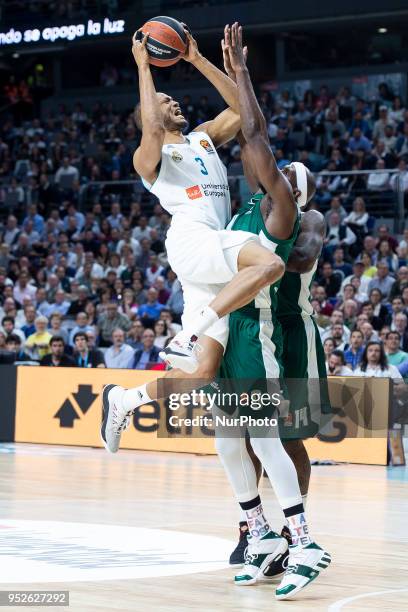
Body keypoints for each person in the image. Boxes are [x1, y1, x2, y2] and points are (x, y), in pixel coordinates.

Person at [102, 29, 297, 447]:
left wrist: (196, 59)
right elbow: (151, 128)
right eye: (164, 101)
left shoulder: (204, 138)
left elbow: (242, 111)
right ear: (148, 116)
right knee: (270, 263)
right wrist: (143, 66)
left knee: (202, 371)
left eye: (173, 99)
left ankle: (124, 399)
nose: (175, 101)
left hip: (212, 260)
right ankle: (188, 335)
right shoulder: (148, 158)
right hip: (194, 242)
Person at [213, 24, 329, 599]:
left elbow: (255, 134)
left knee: (278, 438)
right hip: (236, 330)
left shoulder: (291, 215)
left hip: (279, 332)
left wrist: (241, 72)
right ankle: (260, 532)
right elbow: (244, 135)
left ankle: (295, 534)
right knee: (233, 438)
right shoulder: (243, 212)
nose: (272, 175)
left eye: (283, 177)